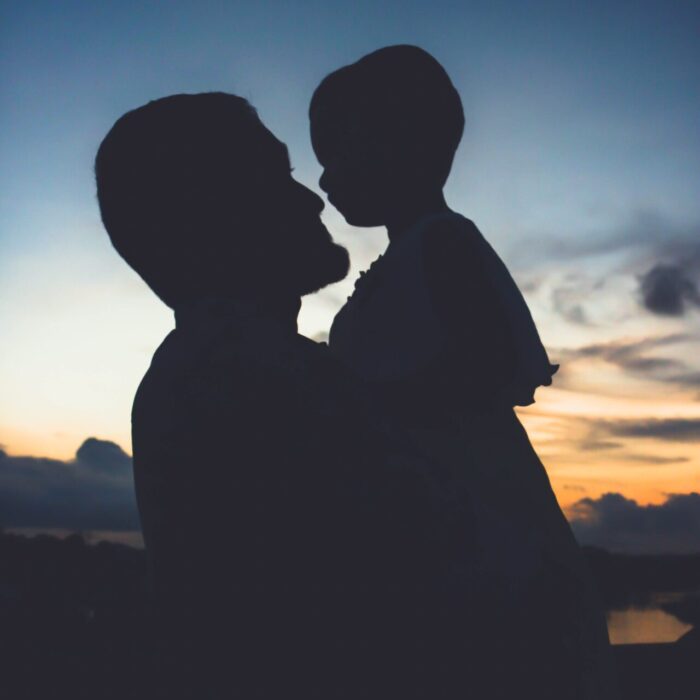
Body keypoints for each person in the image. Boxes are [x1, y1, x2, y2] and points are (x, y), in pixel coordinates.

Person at [95, 92, 474, 699]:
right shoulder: (261, 376)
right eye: (280, 177)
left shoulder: (202, 369)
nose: (313, 198)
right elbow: (442, 568)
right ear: (217, 217)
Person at [310, 45, 617, 699]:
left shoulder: (442, 241)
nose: (325, 178)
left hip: (476, 498)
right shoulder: (412, 255)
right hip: (441, 503)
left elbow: (489, 359)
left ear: (399, 141)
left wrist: (367, 405)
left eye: (337, 152)